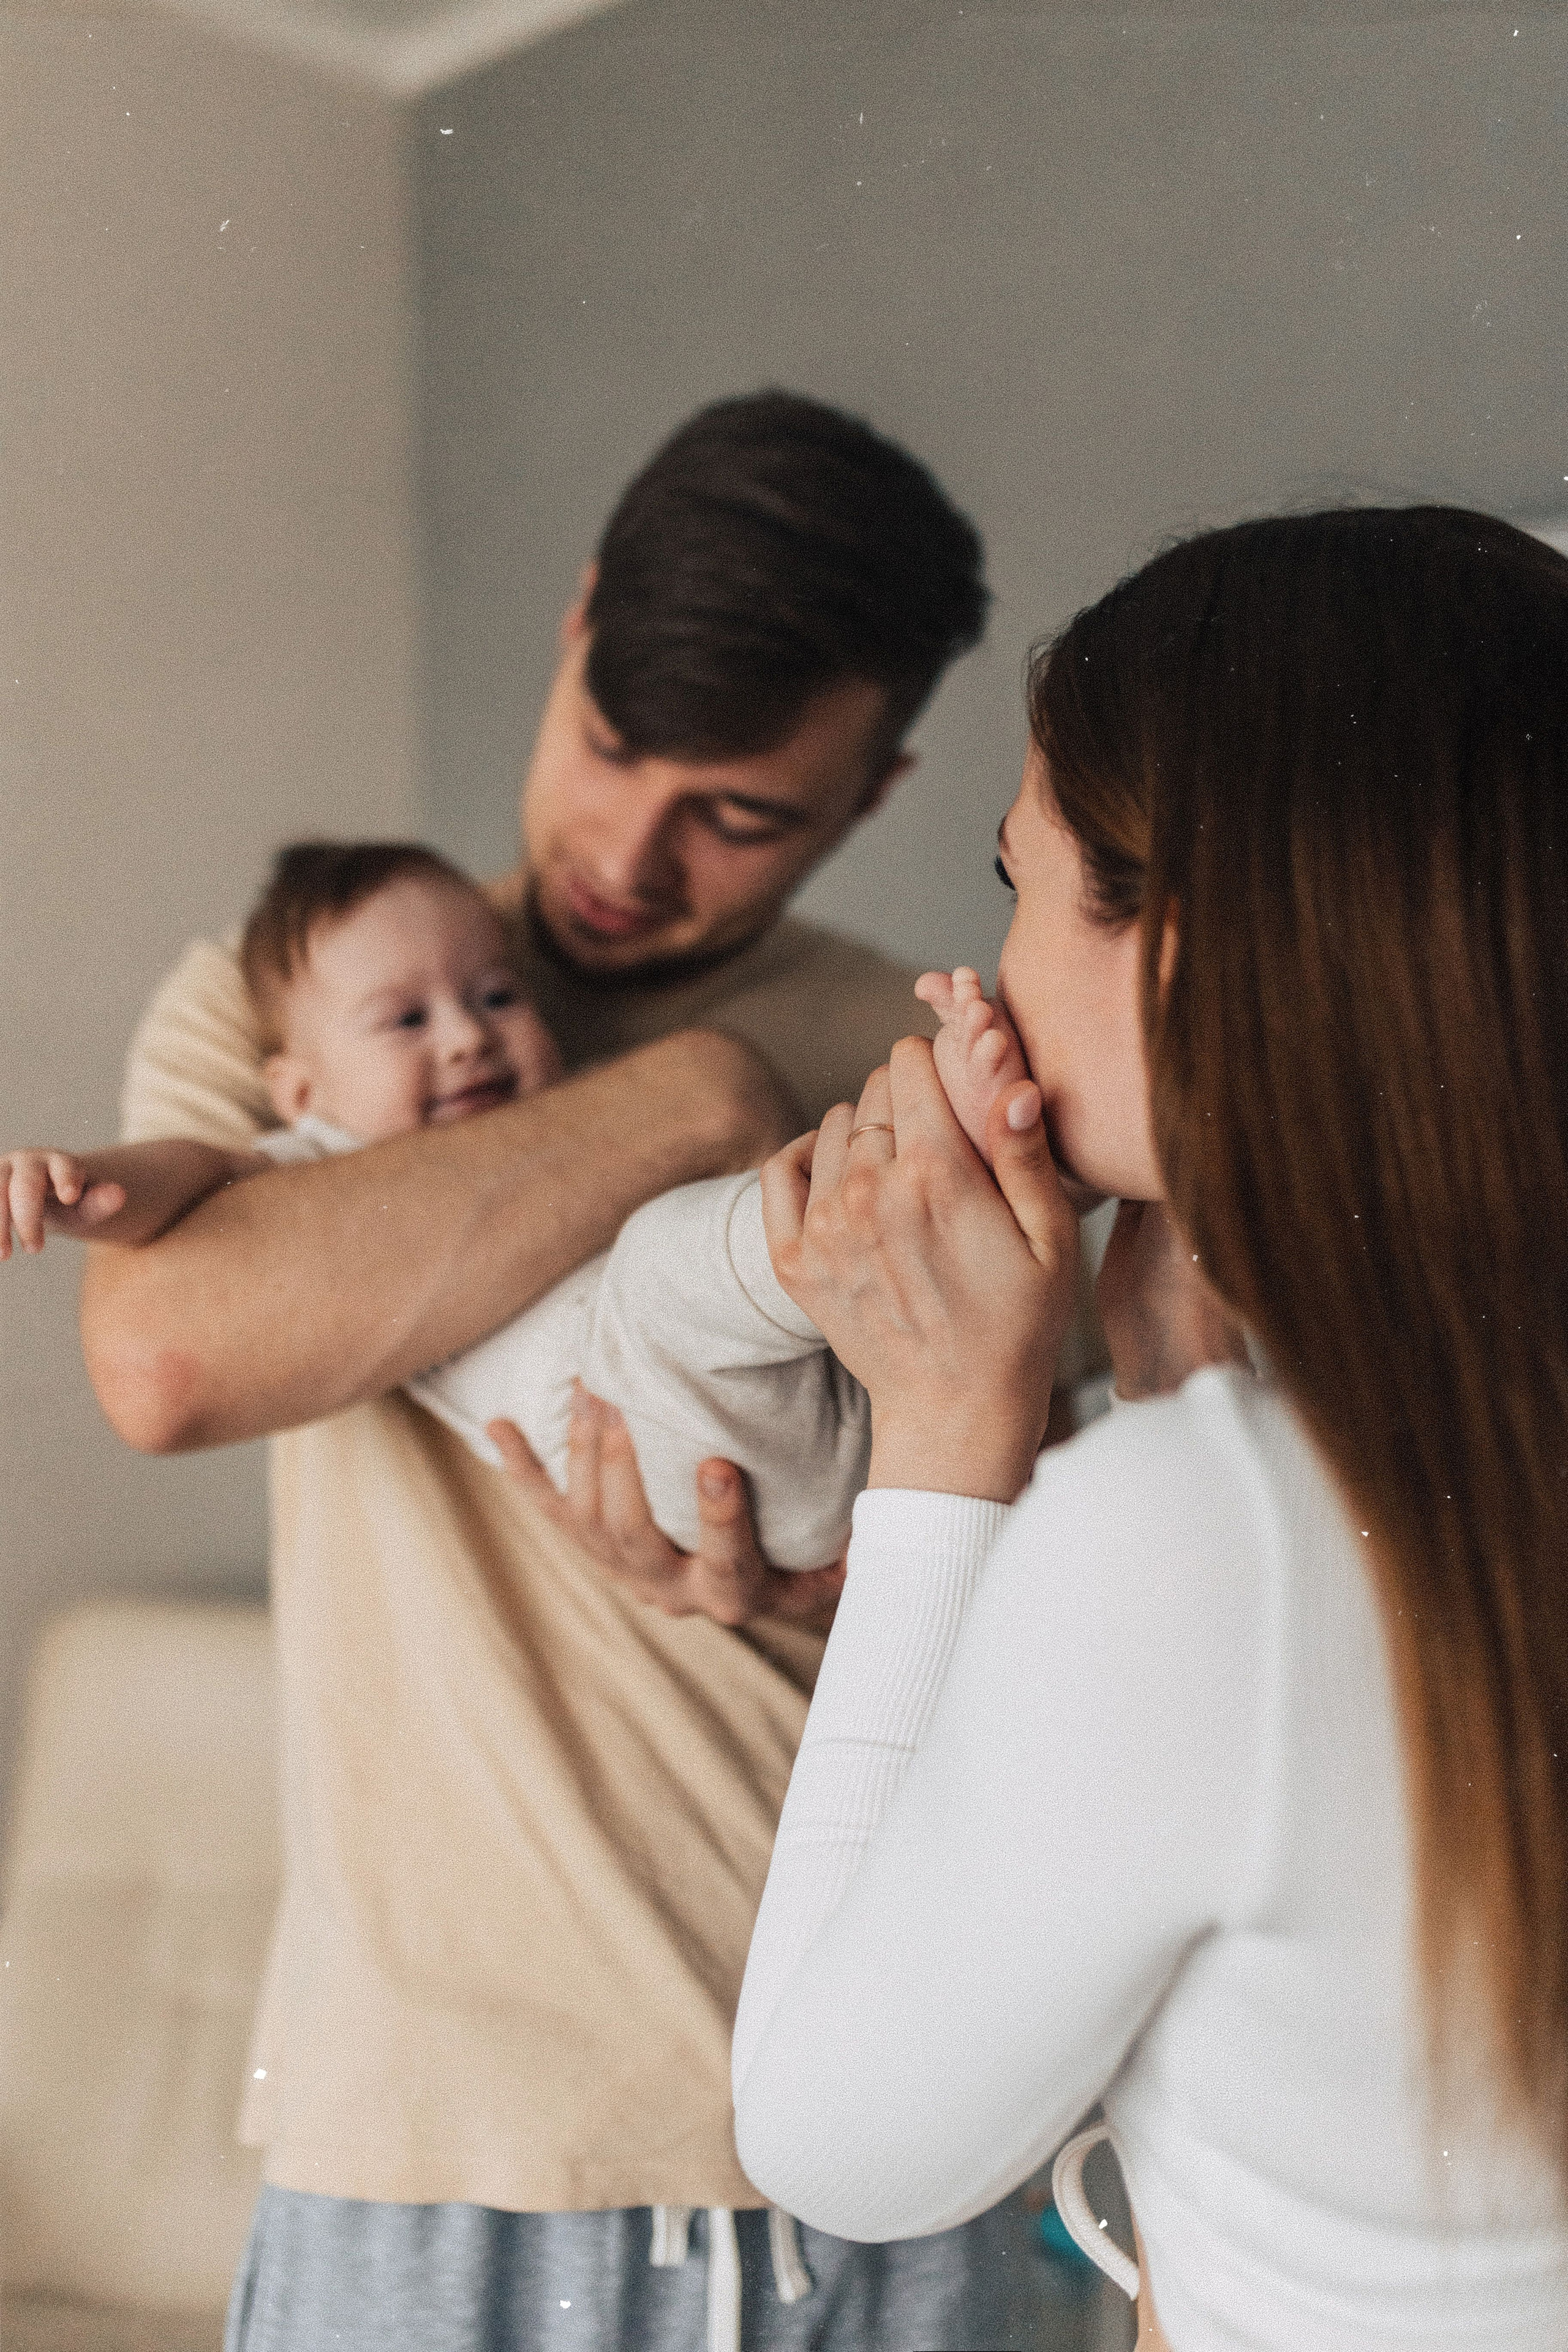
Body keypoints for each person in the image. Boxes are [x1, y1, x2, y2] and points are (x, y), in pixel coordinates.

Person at [77, 393, 1095, 2351]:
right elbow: (169, 1351)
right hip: (440, 2141)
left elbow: (1050, 1525)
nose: (630, 855)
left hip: (883, 2123)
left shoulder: (920, 1047)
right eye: (613, 748)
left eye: (739, 813)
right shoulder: (309, 991)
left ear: (874, 792)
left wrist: (831, 1578)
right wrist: (693, 1102)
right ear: (571, 634)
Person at [729, 507, 1568, 2349]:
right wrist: (1188, 1389)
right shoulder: (1262, 1501)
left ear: (1182, 943)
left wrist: (951, 1433)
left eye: (1025, 887)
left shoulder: (1202, 1536)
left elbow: (839, 2146)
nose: (998, 975)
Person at [7, 839, 1022, 1566]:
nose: (465, 1038)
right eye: (405, 1019)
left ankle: (945, 1175)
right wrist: (87, 1186)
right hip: (647, 1433)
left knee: (716, 1260)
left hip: (834, 1439)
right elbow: (183, 1178)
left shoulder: (581, 1114)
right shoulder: (302, 1165)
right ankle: (913, 1160)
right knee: (674, 1261)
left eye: (495, 995)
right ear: (303, 1093)